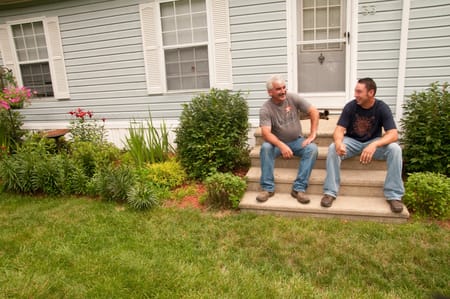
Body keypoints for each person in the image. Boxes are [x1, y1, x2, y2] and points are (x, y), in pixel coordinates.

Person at [321, 77, 405, 213]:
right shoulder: (351, 106)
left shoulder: (382, 108)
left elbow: (393, 134)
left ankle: (394, 195)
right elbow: (339, 130)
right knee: (332, 148)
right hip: (352, 142)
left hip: (373, 143)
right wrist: (338, 143)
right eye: (355, 91)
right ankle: (330, 192)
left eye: (359, 92)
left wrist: (375, 144)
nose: (355, 95)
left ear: (370, 93)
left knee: (395, 149)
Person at [257, 74, 319, 203]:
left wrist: (313, 133)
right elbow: (266, 134)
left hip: (297, 141)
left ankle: (299, 189)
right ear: (270, 92)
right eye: (278, 89)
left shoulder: (292, 98)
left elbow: (314, 111)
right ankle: (267, 188)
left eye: (284, 87)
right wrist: (281, 145)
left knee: (312, 149)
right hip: (277, 144)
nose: (283, 91)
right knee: (265, 147)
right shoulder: (265, 109)